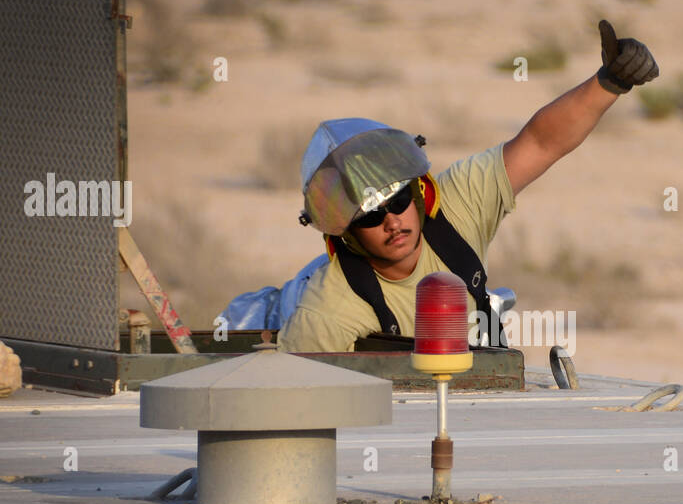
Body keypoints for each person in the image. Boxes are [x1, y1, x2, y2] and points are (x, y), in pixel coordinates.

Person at [277, 20, 659, 353]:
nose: (391, 222)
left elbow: (541, 143)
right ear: (345, 234)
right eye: (370, 215)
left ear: (419, 194)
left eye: (397, 201)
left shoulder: (457, 204)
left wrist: (610, 82)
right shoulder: (326, 311)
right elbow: (300, 406)